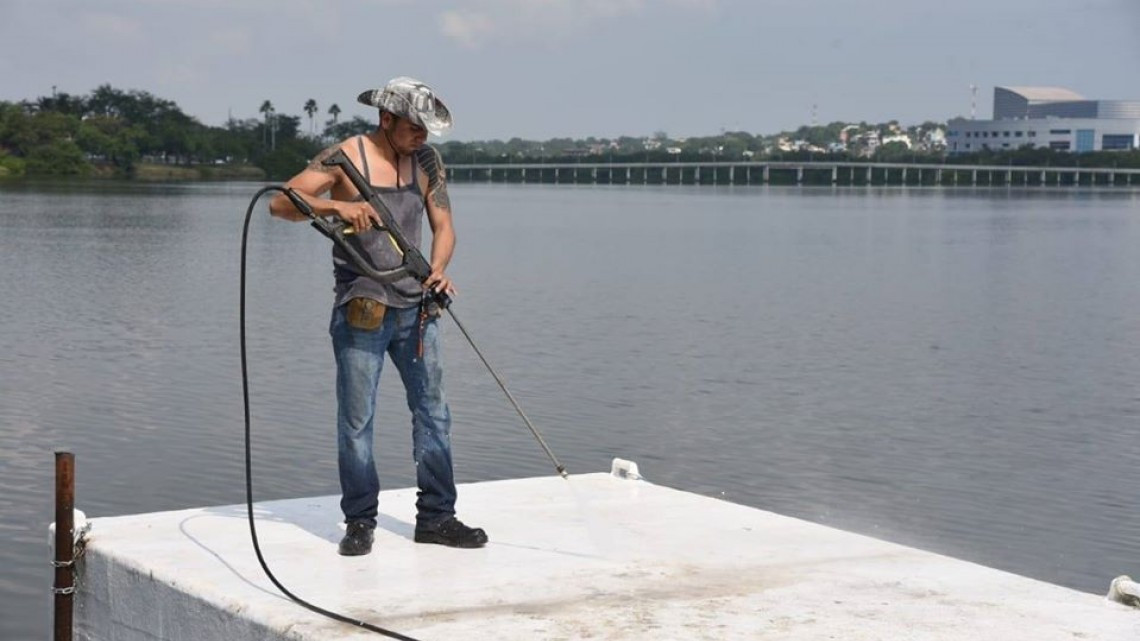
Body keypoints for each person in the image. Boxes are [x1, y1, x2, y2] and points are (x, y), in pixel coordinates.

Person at [268, 77, 487, 556]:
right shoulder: (346, 156)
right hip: (362, 308)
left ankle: (437, 517)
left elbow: (444, 226)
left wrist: (440, 270)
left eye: (426, 129)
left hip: (419, 310)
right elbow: (281, 202)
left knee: (434, 414)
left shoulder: (426, 161)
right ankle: (360, 520)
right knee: (357, 421)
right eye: (413, 127)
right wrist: (339, 205)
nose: (421, 137)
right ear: (385, 120)